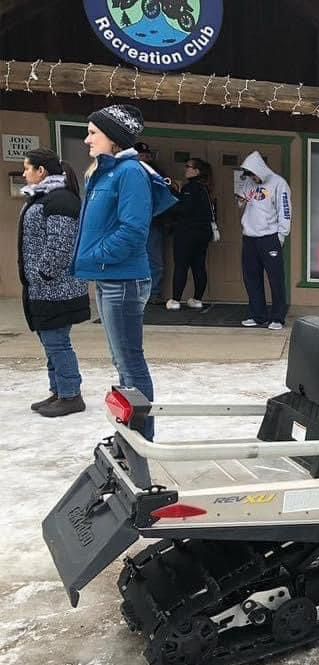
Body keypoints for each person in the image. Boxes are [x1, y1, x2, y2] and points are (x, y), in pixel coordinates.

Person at [72, 104, 177, 441]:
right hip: (109, 278)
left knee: (131, 363)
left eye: (93, 133)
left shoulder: (131, 172)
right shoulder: (107, 171)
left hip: (123, 281)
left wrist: (96, 257)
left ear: (113, 137)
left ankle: (142, 441)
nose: (87, 139)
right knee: (122, 361)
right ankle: (130, 432)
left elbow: (133, 230)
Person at [17, 148, 90, 417]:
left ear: (41, 171)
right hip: (44, 288)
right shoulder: (45, 198)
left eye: (27, 168)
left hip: (56, 289)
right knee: (51, 342)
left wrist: (43, 274)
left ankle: (71, 395)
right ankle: (58, 391)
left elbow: (60, 244)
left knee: (57, 342)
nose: (24, 173)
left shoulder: (60, 200)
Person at [236, 151, 291, 330]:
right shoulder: (247, 183)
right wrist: (240, 199)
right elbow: (241, 204)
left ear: (260, 170)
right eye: (250, 174)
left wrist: (281, 235)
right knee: (251, 278)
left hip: (270, 237)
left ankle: (277, 317)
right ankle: (257, 315)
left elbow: (285, 210)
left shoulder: (278, 183)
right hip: (249, 237)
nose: (253, 177)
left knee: (275, 279)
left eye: (254, 174)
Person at [166, 158, 214, 310]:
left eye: (188, 167)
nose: (185, 169)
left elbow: (182, 209)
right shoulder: (205, 189)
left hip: (186, 233)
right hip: (203, 234)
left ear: (197, 171)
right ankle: (197, 299)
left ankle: (175, 300)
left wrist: (173, 191)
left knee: (181, 266)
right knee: (199, 266)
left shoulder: (190, 188)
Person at [135, 142, 170, 305]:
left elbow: (165, 196)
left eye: (146, 155)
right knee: (132, 258)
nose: (145, 157)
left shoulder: (157, 173)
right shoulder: (127, 172)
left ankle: (153, 293)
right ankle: (135, 293)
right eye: (141, 154)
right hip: (132, 222)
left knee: (154, 260)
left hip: (154, 221)